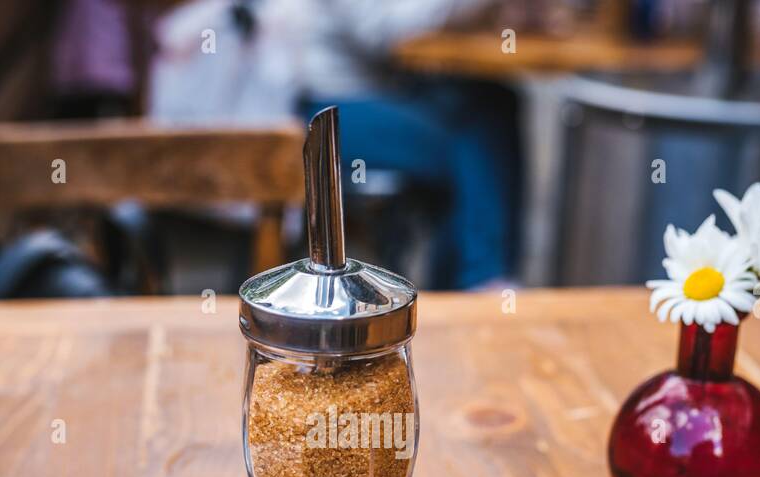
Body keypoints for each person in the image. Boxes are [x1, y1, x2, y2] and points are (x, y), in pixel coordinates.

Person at [149, 0, 520, 289]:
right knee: (469, 144)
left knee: (486, 106)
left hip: (372, 92)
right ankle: (477, 278)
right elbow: (385, 31)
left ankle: (469, 278)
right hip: (319, 104)